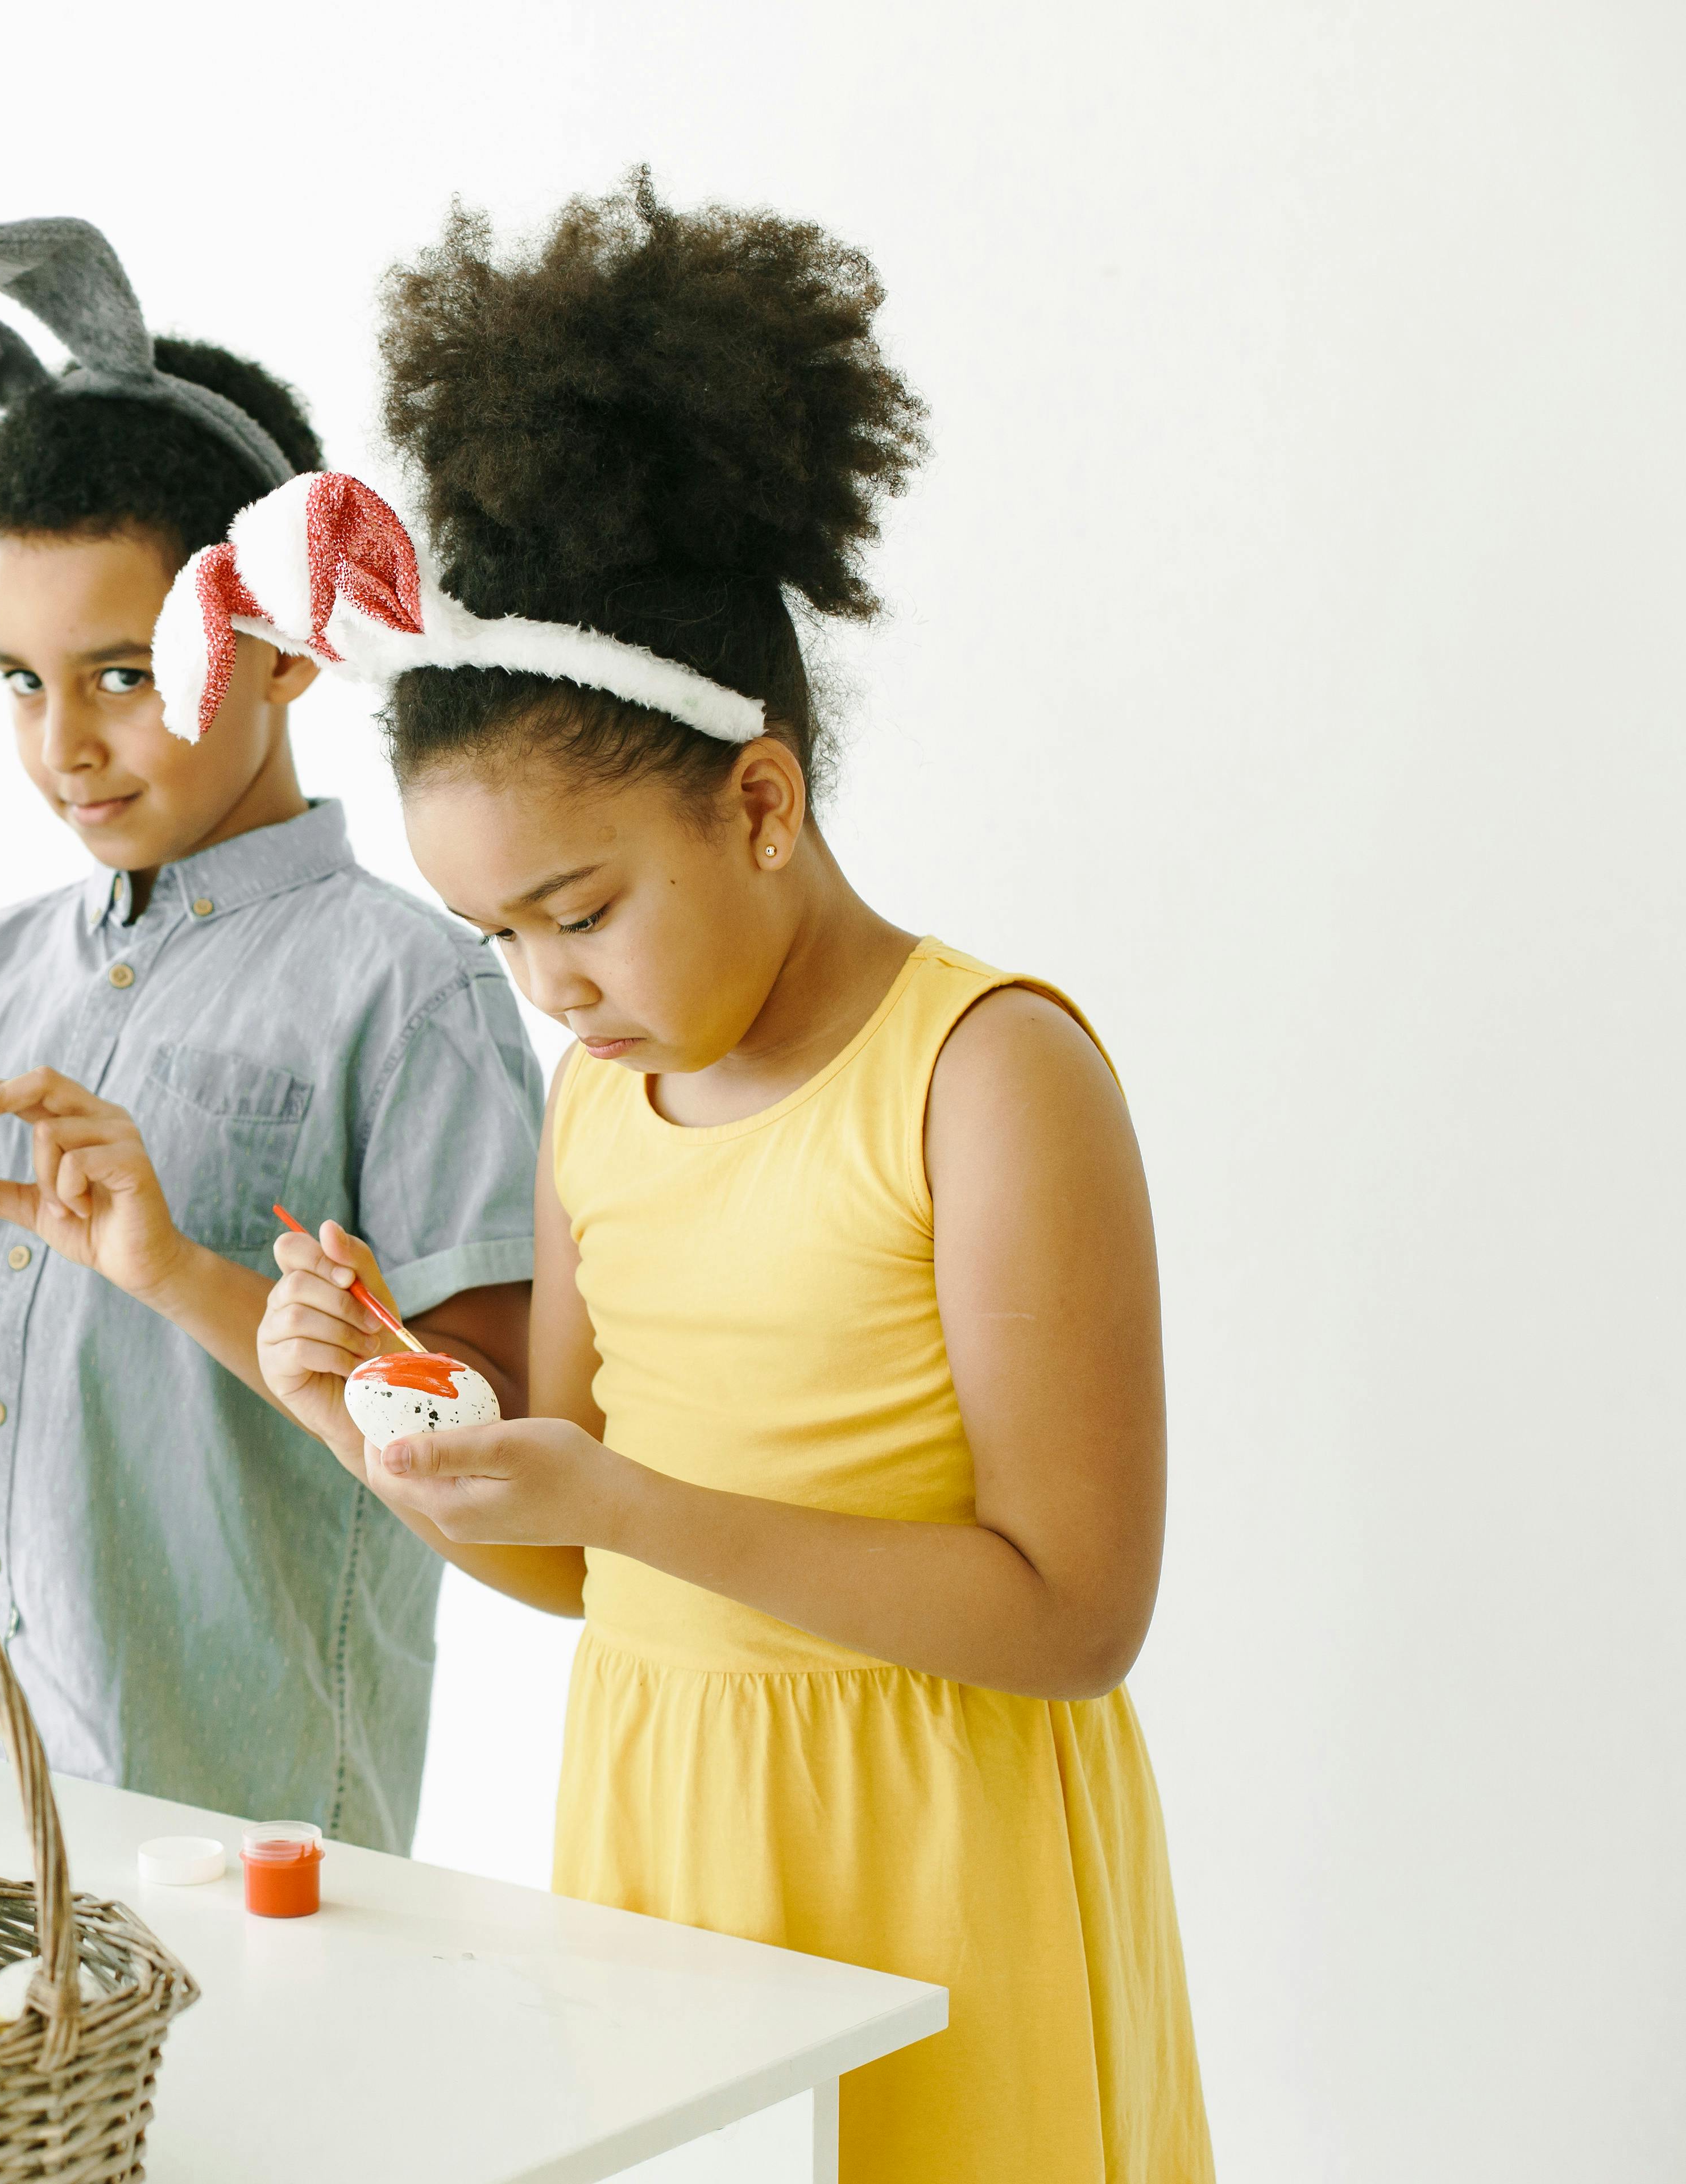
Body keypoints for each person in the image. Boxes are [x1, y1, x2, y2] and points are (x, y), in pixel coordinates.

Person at [248, 175, 1211, 2178]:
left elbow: (1073, 1613)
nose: (543, 989)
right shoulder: (608, 1101)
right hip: (665, 1857)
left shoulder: (984, 1075)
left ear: (759, 798)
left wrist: (622, 1497)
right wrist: (359, 1420)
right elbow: (588, 1559)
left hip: (941, 1859)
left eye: (577, 912)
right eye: (494, 937)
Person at [0, 213, 542, 1854]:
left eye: (120, 673)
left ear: (294, 637)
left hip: (245, 1824)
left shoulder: (413, 992)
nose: (64, 748)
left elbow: (501, 1454)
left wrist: (177, 1268)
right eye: (20, 682)